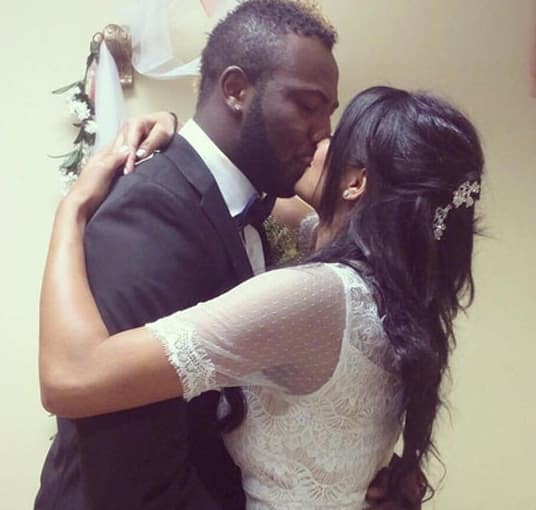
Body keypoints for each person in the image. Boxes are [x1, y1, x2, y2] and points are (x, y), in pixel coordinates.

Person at [39, 85, 484, 509]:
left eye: (335, 137)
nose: (317, 141)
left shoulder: (314, 297)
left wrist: (72, 209)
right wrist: (183, 135)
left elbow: (71, 377)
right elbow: (238, 189)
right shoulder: (390, 291)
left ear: (355, 182)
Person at [35, 1, 338, 509]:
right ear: (236, 89)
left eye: (328, 112)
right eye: (309, 106)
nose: (323, 132)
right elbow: (130, 468)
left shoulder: (242, 203)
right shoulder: (153, 208)